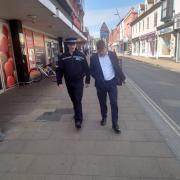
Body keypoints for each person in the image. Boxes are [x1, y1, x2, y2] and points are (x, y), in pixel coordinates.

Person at [90, 40, 125, 134]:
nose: (101, 52)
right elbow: (91, 71)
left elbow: (117, 67)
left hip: (112, 83)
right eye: (99, 51)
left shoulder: (112, 54)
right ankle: (104, 117)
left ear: (105, 48)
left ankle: (115, 124)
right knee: (102, 103)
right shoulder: (93, 58)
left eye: (103, 50)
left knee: (114, 103)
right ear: (97, 50)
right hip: (101, 84)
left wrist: (123, 78)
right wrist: (98, 78)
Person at [56, 37, 90, 129]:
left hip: (79, 82)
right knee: (74, 99)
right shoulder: (63, 56)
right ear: (67, 45)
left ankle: (78, 120)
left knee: (78, 100)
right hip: (69, 82)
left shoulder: (81, 55)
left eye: (74, 44)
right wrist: (59, 81)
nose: (72, 46)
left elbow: (86, 68)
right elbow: (59, 70)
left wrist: (87, 80)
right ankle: (77, 112)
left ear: (76, 45)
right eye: (70, 44)